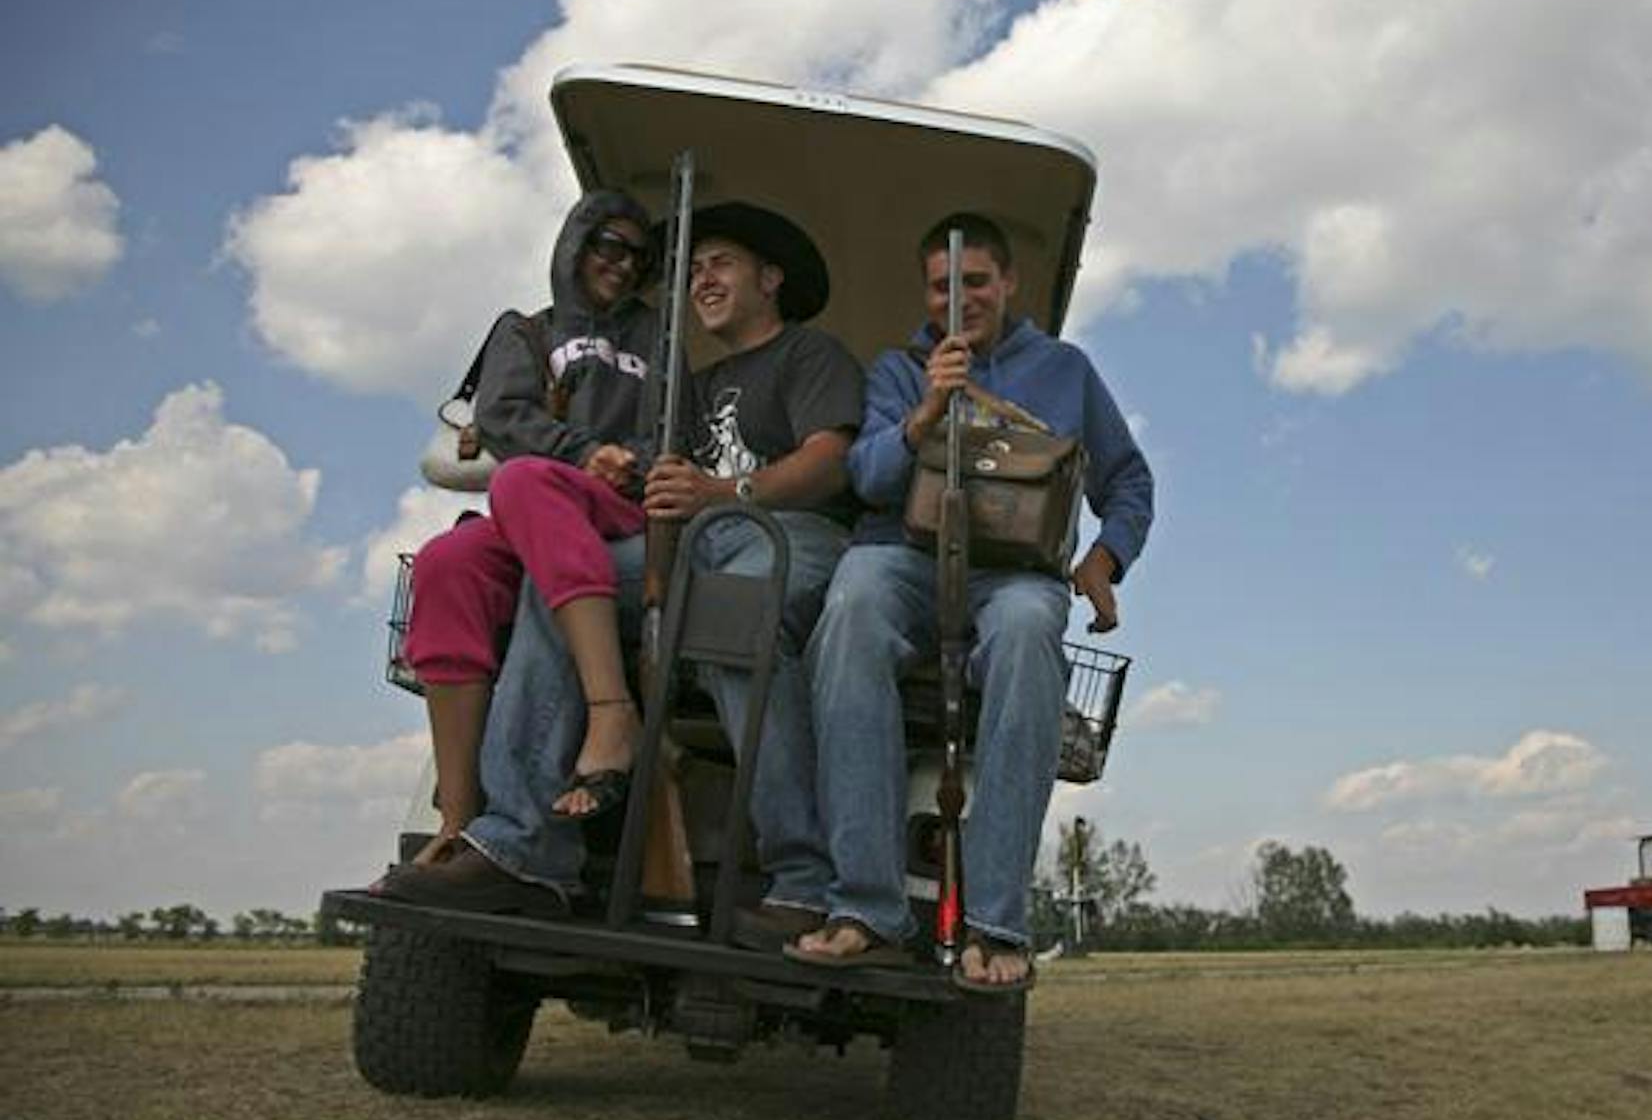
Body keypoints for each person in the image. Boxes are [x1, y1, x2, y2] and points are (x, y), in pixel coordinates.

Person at [380, 202, 863, 919]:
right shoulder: (695, 380)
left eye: (720, 264)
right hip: (694, 536)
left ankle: (801, 877)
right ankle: (520, 849)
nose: (700, 279)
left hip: (782, 532)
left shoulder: (809, 354)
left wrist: (721, 491)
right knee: (564, 575)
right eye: (693, 269)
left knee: (733, 615)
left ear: (770, 278)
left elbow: (829, 464)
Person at [786, 211, 1153, 991]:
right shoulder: (895, 369)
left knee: (1027, 632)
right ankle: (866, 908)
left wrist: (1104, 558)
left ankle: (995, 922)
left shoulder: (1067, 370)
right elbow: (869, 480)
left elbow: (1128, 482)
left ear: (1009, 283)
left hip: (1013, 570)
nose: (961, 299)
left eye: (976, 282)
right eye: (944, 286)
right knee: (850, 608)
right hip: (904, 556)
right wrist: (924, 412)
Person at [396, 191, 655, 866]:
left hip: (623, 508)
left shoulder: (662, 339)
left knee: (523, 481)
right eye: (609, 246)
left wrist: (627, 462)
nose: (623, 266)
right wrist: (579, 450)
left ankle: (610, 710)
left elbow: (677, 434)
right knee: (447, 561)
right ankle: (457, 817)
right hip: (545, 503)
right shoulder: (525, 331)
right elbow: (503, 415)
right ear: (576, 243)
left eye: (637, 255)